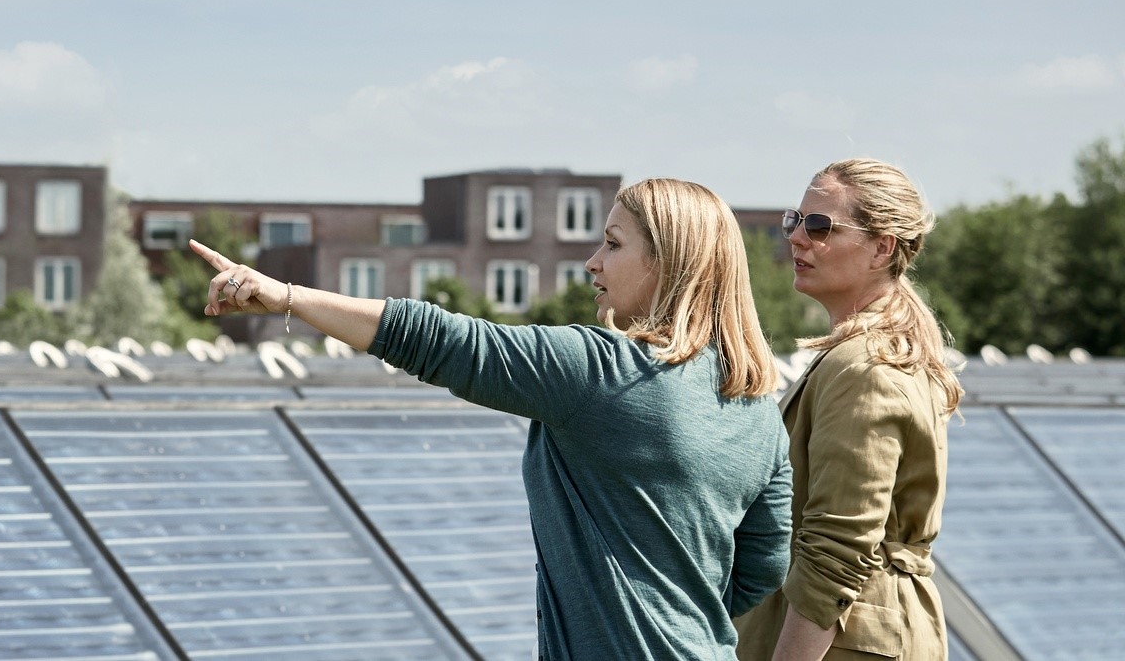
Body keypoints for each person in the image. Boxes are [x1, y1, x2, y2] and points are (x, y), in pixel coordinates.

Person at [194, 177, 792, 659]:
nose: (592, 262)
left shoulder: (600, 371)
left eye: (612, 244)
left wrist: (288, 298)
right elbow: (764, 564)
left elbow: (436, 339)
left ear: (668, 262)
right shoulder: (759, 407)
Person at [734, 159, 960, 660]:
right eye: (796, 220)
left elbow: (837, 550)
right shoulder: (872, 354)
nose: (796, 238)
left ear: (883, 247)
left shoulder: (866, 366)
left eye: (820, 227)